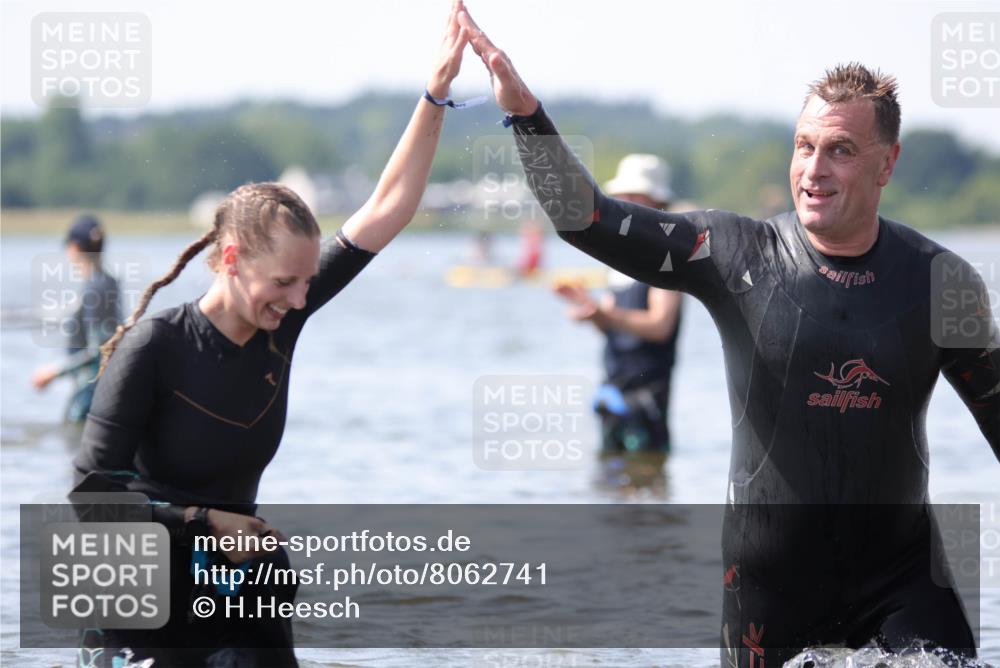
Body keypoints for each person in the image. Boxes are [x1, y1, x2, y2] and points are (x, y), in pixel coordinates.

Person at [458, 7, 1000, 665]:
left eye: (841, 151)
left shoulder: (942, 282)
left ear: (887, 164)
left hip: (901, 581)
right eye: (804, 145)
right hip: (770, 592)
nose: (815, 170)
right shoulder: (736, 252)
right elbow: (587, 220)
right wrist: (524, 113)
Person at [71, 4, 471, 666]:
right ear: (232, 259)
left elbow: (390, 206)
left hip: (238, 574)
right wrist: (203, 522)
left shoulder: (286, 319)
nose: (299, 298)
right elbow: (89, 499)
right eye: (285, 282)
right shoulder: (155, 347)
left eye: (308, 283)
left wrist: (434, 93)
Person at [553, 154, 683, 490]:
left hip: (648, 393)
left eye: (634, 197)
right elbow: (609, 325)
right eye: (622, 197)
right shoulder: (618, 258)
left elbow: (660, 325)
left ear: (656, 202)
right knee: (608, 484)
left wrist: (604, 313)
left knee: (648, 479)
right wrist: (591, 311)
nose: (625, 204)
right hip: (613, 387)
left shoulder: (666, 258)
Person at [31, 214, 121, 423]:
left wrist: (53, 373)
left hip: (90, 393)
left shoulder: (94, 288)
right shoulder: (109, 282)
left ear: (74, 248)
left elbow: (97, 350)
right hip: (103, 390)